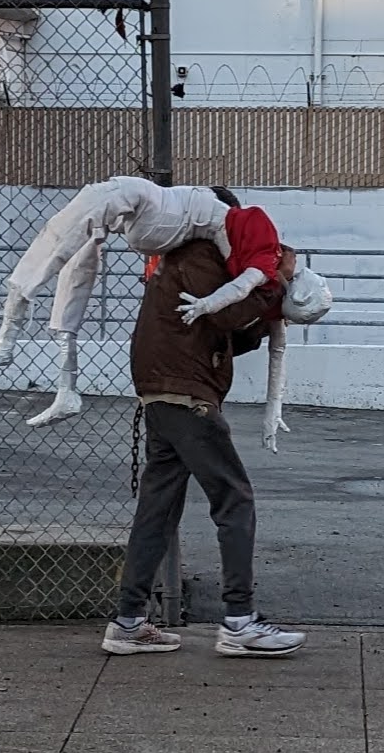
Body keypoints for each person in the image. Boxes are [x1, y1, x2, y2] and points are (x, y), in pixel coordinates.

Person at [102, 236, 310, 658]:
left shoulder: (179, 262)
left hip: (167, 396)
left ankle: (128, 623)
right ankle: (239, 622)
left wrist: (266, 314)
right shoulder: (199, 256)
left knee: (158, 510)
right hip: (187, 399)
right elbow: (227, 316)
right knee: (234, 499)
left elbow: (221, 335)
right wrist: (275, 282)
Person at [0, 176, 290, 426]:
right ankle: (62, 384)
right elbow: (274, 336)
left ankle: (9, 341)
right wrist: (272, 411)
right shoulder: (227, 244)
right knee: (78, 257)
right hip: (154, 220)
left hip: (153, 216)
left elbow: (267, 322)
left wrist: (212, 303)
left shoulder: (224, 242)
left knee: (66, 234)